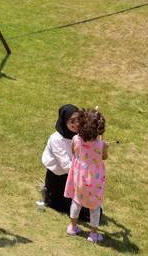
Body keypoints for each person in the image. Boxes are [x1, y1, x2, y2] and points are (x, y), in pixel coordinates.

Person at [42, 105, 93, 221]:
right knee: (83, 213)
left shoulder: (80, 136)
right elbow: (66, 165)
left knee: (93, 210)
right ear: (64, 121)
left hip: (75, 177)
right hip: (58, 179)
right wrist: (85, 173)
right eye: (72, 121)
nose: (76, 124)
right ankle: (49, 195)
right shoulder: (56, 139)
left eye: (78, 120)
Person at [65, 109, 108, 244]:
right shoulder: (102, 144)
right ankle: (93, 234)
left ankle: (72, 227)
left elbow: (74, 152)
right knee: (94, 207)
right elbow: (104, 157)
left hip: (78, 177)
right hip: (94, 179)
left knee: (76, 201)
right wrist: (102, 145)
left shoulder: (75, 139)